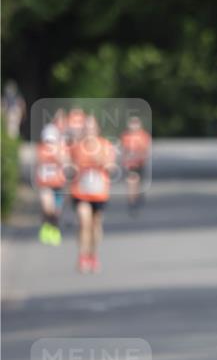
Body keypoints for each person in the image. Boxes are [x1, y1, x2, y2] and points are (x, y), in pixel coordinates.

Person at [69, 115, 117, 273]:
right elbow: (69, 166)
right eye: (86, 128)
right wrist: (72, 168)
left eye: (91, 128)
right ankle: (82, 256)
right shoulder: (76, 146)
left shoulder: (105, 145)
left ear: (97, 129)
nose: (89, 131)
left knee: (95, 225)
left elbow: (112, 167)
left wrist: (102, 162)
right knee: (84, 222)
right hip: (80, 191)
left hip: (99, 192)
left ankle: (93, 255)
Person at [35, 124, 68, 245]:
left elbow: (66, 162)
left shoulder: (61, 149)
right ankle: (46, 228)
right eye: (47, 140)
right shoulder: (40, 149)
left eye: (52, 140)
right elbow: (37, 164)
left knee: (56, 211)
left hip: (58, 184)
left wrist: (58, 155)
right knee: (47, 207)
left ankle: (54, 230)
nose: (49, 143)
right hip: (45, 184)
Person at [120, 115, 151, 213]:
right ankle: (132, 201)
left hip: (140, 163)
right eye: (132, 123)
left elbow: (146, 150)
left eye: (135, 124)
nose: (133, 126)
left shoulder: (143, 136)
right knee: (131, 181)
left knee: (139, 182)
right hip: (130, 164)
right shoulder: (125, 136)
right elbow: (123, 149)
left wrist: (140, 156)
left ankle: (137, 196)